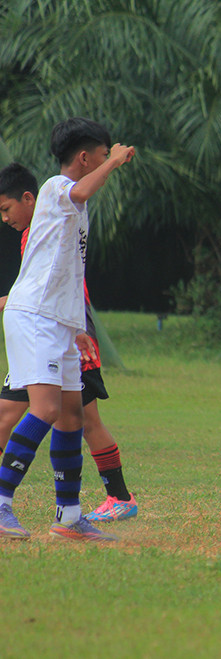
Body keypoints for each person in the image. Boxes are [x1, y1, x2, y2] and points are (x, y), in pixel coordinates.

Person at [0, 118, 133, 542]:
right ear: (85, 157)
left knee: (73, 413)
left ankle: (69, 515)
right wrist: (113, 164)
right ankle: (1, 503)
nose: (103, 159)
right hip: (35, 316)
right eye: (99, 153)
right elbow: (82, 188)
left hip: (60, 322)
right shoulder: (57, 188)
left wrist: (77, 326)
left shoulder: (75, 206)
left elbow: (70, 269)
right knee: (45, 408)